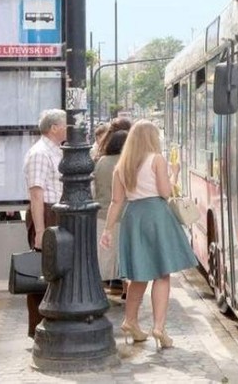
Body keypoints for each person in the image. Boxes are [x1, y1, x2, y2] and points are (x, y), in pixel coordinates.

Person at [100, 120, 197, 350]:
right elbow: (165, 192)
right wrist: (174, 175)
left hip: (133, 217)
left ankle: (130, 320)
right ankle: (159, 327)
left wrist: (107, 230)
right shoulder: (157, 160)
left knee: (139, 274)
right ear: (151, 139)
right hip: (156, 215)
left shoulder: (121, 166)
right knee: (162, 274)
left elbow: (116, 201)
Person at [22, 108, 67, 338]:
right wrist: (39, 231)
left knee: (53, 268)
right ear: (54, 128)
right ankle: (38, 326)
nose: (68, 128)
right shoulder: (40, 153)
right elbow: (36, 194)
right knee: (42, 270)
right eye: (65, 124)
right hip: (46, 213)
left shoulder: (55, 151)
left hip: (54, 212)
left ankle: (49, 322)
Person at [94, 130, 129, 297]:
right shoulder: (127, 163)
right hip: (124, 214)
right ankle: (126, 290)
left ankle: (100, 291)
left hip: (102, 214)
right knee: (124, 256)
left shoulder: (101, 161)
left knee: (105, 257)